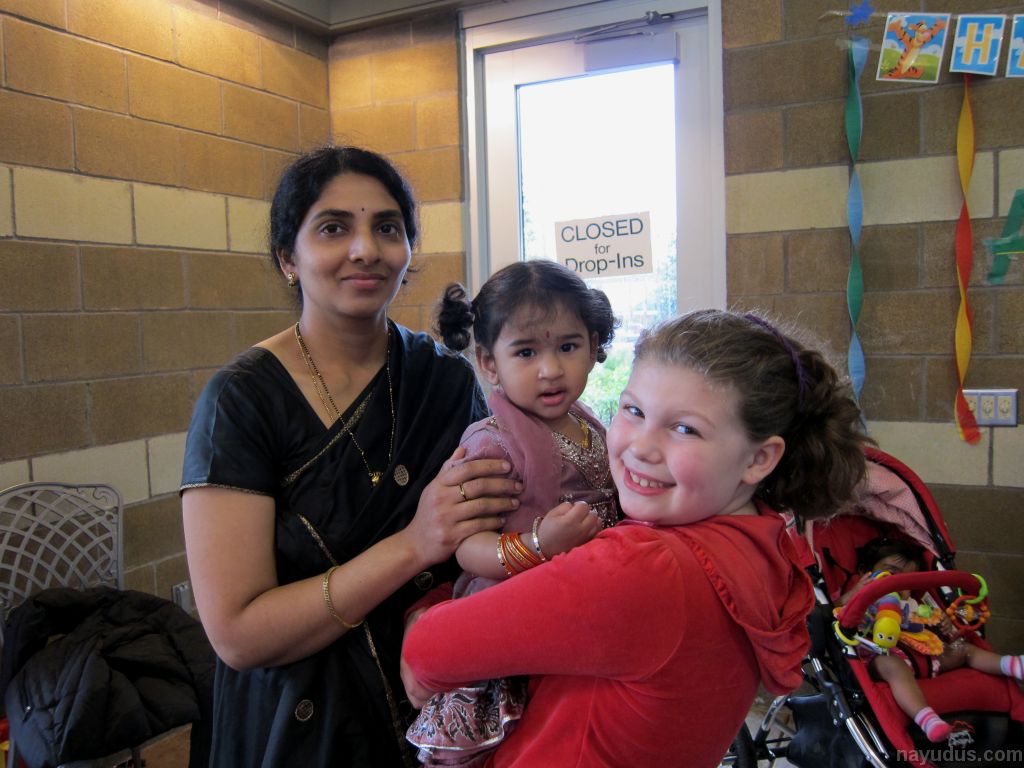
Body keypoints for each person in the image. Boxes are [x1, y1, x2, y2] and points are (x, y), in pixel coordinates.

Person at [402, 308, 872, 767]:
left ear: (759, 459)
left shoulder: (645, 569)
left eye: (685, 429)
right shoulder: (763, 542)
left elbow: (431, 650)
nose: (641, 447)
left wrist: (423, 612)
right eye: (633, 410)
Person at [180, 146, 522, 768]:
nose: (366, 249)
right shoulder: (242, 400)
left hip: (432, 703)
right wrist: (414, 544)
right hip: (299, 728)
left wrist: (441, 612)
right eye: (333, 228)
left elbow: (493, 537)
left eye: (387, 228)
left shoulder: (445, 382)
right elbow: (238, 635)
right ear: (288, 257)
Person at [405, 261, 619, 765]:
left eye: (567, 346)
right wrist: (538, 544)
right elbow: (467, 546)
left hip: (582, 608)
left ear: (593, 346)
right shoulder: (492, 443)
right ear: (488, 363)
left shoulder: (590, 423)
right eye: (526, 352)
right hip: (511, 617)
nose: (550, 369)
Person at [844, 537, 1024, 742]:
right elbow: (834, 613)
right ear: (864, 572)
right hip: (881, 657)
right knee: (892, 666)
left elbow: (937, 620)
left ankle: (1013, 664)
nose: (899, 584)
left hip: (927, 658)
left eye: (907, 580)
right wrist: (853, 594)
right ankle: (927, 719)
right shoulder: (857, 598)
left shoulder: (912, 604)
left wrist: (946, 623)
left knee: (963, 649)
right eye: (891, 573)